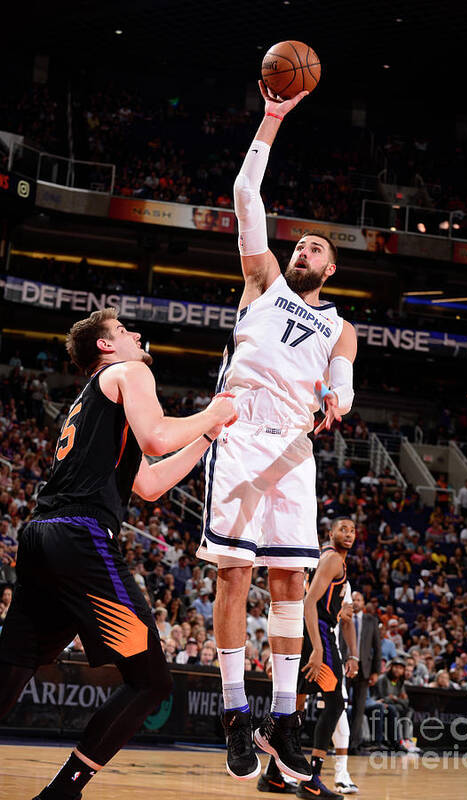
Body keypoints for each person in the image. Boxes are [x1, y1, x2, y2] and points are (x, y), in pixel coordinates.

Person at [0, 307, 236, 800]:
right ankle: (63, 791)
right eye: (125, 330)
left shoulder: (94, 399)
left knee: (15, 664)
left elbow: (147, 484)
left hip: (43, 535)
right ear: (106, 346)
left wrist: (209, 435)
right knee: (150, 683)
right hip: (80, 537)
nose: (136, 334)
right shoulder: (131, 371)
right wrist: (212, 412)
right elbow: (156, 436)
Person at [196, 82, 357, 782]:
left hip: (293, 446)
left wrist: (339, 397)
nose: (307, 246)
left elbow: (344, 373)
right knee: (234, 575)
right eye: (303, 241)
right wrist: (270, 117)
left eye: (318, 247)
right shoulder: (261, 279)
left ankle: (284, 720)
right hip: (241, 430)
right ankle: (235, 712)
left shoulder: (339, 324)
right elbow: (242, 193)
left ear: (330, 269)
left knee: (290, 580)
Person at [291, 518, 358, 799]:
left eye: (353, 530)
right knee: (334, 703)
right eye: (343, 529)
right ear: (331, 533)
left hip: (308, 632)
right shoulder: (332, 560)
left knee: (296, 700)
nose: (349, 534)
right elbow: (309, 602)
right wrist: (318, 648)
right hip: (319, 633)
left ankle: (274, 774)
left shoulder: (328, 560)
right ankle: (312, 779)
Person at [344, 591, 381, 753]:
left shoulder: (371, 621)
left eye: (358, 600)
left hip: (364, 669)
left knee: (359, 708)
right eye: (353, 600)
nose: (355, 602)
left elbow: (377, 648)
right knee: (340, 705)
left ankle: (353, 744)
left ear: (364, 603)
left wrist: (376, 671)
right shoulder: (343, 618)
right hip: (344, 665)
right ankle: (339, 741)